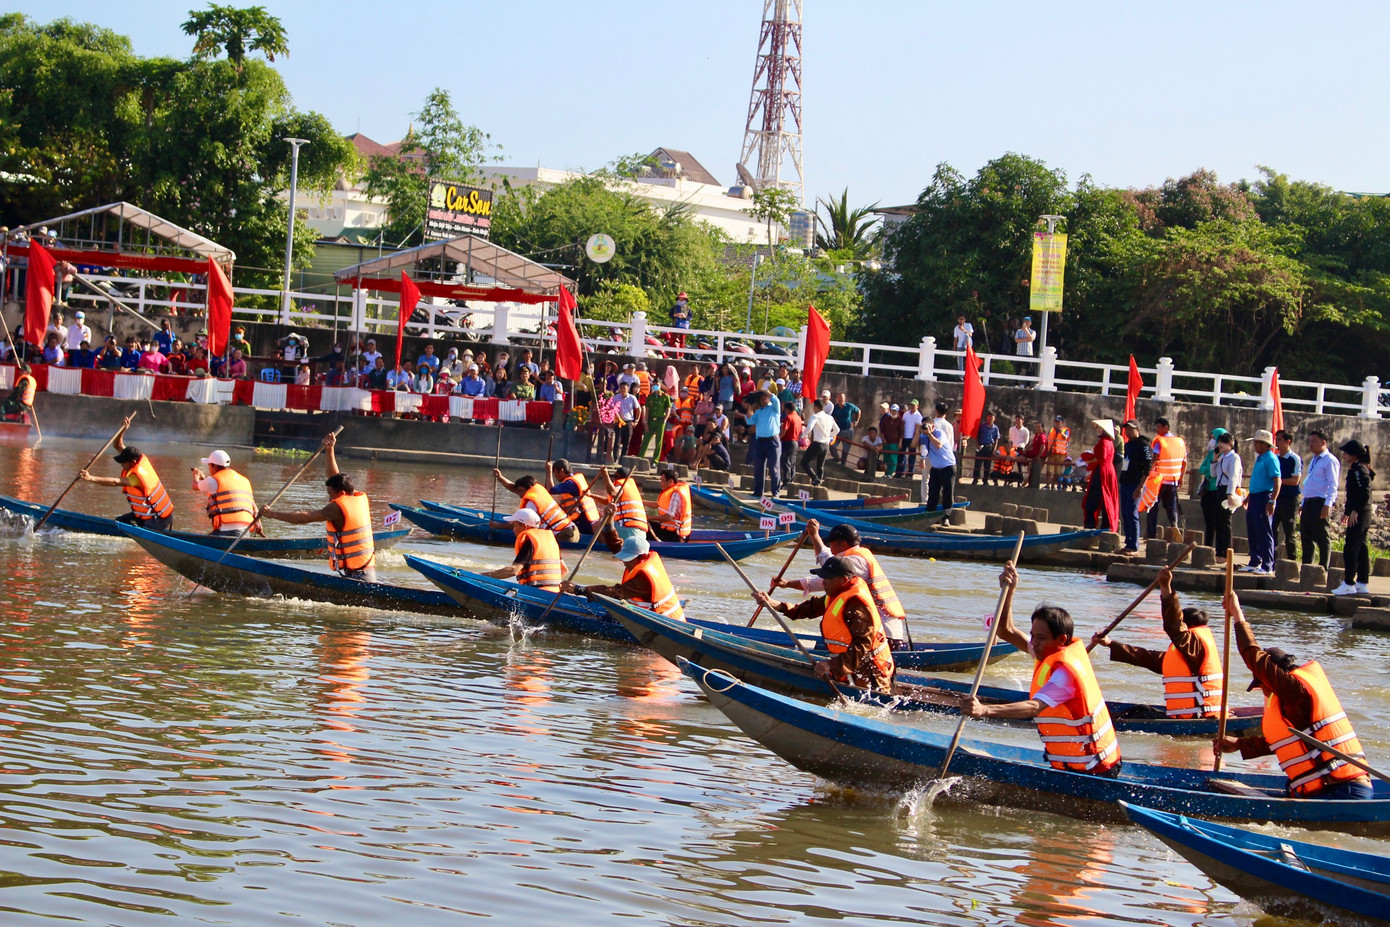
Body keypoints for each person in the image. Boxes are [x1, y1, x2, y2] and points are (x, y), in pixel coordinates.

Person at [961, 562, 1122, 776]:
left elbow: (1033, 707)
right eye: (1033, 636)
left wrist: (985, 710)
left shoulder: (1064, 674)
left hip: (1096, 769)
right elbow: (1006, 631)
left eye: (1041, 638)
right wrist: (1009, 590)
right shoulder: (1046, 652)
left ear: (1061, 640)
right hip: (1074, 765)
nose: (1034, 643)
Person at [1216, 591, 1371, 799]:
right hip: (1339, 789)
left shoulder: (1295, 690)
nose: (1264, 690)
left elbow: (1253, 657)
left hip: (1340, 791)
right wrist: (1239, 744)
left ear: (1272, 678)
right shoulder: (1294, 701)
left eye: (1262, 684)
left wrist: (1237, 613)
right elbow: (1289, 742)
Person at [1091, 567, 1223, 718]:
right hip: (1195, 715)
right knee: (1139, 710)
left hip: (1198, 717)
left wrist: (1165, 587)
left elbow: (1174, 625)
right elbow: (1147, 658)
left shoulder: (1194, 643)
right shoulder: (1192, 652)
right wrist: (1110, 644)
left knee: (1131, 716)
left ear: (1186, 626)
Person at [753, 556, 895, 691]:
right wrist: (772, 603)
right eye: (823, 577)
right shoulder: (835, 593)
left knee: (871, 703)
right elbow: (808, 609)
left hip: (871, 671)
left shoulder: (856, 603)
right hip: (851, 665)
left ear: (844, 580)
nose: (823, 582)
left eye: (828, 578)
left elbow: (863, 645)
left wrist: (830, 665)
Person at [776, 521, 912, 649]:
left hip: (882, 633)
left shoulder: (856, 561)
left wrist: (815, 536)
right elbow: (826, 572)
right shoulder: (857, 556)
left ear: (843, 544)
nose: (830, 548)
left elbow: (826, 570)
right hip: (878, 630)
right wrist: (786, 584)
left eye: (831, 544)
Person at [259, 434, 377, 580]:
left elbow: (304, 517)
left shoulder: (336, 508)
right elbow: (335, 477)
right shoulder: (357, 496)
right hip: (362, 572)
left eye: (330, 494)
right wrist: (330, 449)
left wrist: (272, 514)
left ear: (341, 493)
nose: (329, 498)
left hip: (359, 576)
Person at [77, 416, 174, 532]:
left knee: (139, 532)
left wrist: (91, 478)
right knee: (119, 523)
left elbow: (115, 482)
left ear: (133, 462)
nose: (121, 464)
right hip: (151, 514)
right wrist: (123, 429)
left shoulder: (136, 477)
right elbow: (117, 445)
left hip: (158, 518)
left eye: (124, 462)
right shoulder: (136, 457)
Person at [573, 531, 685, 621]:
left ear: (641, 557)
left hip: (665, 625)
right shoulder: (642, 562)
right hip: (654, 617)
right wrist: (609, 524)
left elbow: (616, 592)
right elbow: (616, 546)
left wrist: (579, 589)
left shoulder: (644, 578)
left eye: (628, 559)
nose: (624, 562)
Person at [481, 508, 565, 592]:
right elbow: (564, 570)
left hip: (536, 592)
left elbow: (514, 570)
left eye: (515, 526)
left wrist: (481, 576)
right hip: (554, 592)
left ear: (524, 526)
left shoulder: (529, 541)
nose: (513, 530)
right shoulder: (549, 540)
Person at [1334, 439, 1375, 595]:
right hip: (1359, 512)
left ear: (1355, 454)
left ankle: (1349, 582)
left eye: (1346, 452)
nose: (1343, 454)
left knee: (1351, 547)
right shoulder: (1356, 468)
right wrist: (1347, 512)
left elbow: (1365, 492)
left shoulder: (1359, 470)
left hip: (1361, 513)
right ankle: (1362, 582)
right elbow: (1353, 495)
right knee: (1361, 546)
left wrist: (1356, 511)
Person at [492, 470, 580, 542]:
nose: (520, 495)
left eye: (521, 491)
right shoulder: (539, 490)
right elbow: (514, 488)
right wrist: (500, 477)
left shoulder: (532, 503)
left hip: (564, 536)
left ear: (529, 488)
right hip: (573, 531)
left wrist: (498, 526)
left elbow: (522, 525)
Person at [1241, 429, 1281, 576]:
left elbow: (1277, 481)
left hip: (1264, 497)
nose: (1255, 445)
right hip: (1255, 496)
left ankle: (1267, 564)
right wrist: (1249, 496)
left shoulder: (1271, 459)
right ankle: (1255, 560)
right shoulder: (1260, 458)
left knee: (1264, 530)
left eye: (1257, 442)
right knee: (1253, 529)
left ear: (1265, 444)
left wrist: (1272, 500)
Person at [191, 449, 258, 537]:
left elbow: (195, 486)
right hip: (245, 532)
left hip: (226, 531)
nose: (209, 469)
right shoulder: (244, 480)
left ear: (214, 466)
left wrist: (196, 476)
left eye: (209, 465)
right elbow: (254, 508)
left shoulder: (212, 481)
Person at [1141, 417, 1187, 541]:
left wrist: (1148, 475)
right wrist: (1181, 478)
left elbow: (1154, 459)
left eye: (1159, 427)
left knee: (1152, 506)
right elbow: (1184, 462)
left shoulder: (1160, 442)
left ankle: (1151, 535)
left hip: (1158, 480)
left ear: (1166, 427)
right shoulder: (1180, 442)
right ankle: (1174, 525)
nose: (1157, 430)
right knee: (1171, 507)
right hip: (1173, 480)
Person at [1299, 430, 1339, 569]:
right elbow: (1310, 482)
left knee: (1322, 535)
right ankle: (1307, 566)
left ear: (1323, 442)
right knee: (1306, 535)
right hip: (1309, 501)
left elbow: (1333, 485)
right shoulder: (1314, 459)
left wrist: (1328, 504)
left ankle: (1323, 568)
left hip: (1320, 502)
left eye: (1314, 442)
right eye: (1310, 441)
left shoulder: (1330, 460)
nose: (1311, 445)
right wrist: (1303, 502)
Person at [1117, 419, 1152, 554]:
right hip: (1125, 482)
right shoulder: (1128, 445)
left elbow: (1148, 467)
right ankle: (1128, 542)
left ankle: (1134, 545)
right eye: (1127, 429)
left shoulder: (1143, 445)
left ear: (1138, 430)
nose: (1128, 431)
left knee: (1132, 513)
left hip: (1135, 484)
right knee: (1125, 514)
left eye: (1131, 429)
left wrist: (1141, 486)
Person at [1082, 419, 1120, 532]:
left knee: (1093, 500)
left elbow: (1101, 458)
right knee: (1105, 500)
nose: (1097, 430)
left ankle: (1090, 526)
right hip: (1107, 471)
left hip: (1103, 471)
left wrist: (1088, 459)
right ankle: (1105, 527)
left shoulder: (1104, 442)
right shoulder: (1109, 442)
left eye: (1099, 428)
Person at [1196, 427, 1230, 550]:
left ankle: (1221, 549)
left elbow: (1214, 472)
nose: (1211, 440)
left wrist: (1209, 470)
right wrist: (1209, 469)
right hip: (1207, 491)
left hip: (1217, 490)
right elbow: (1202, 469)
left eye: (1213, 438)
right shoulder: (1211, 453)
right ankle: (1207, 546)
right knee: (1208, 521)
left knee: (1218, 522)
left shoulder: (1225, 455)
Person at [546, 459, 601, 535]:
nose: (555, 476)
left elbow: (550, 489)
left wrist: (549, 471)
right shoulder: (578, 478)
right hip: (592, 519)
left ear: (561, 470)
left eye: (555, 473)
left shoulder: (570, 484)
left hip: (584, 523)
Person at [1271, 429, 1302, 561]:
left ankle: (1291, 560)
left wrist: (1279, 481)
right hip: (1276, 497)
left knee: (1290, 531)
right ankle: (1272, 557)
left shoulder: (1295, 459)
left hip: (1290, 499)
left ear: (1287, 441)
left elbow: (1295, 480)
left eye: (1279, 440)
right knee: (1272, 528)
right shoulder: (1275, 458)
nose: (1276, 442)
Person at [747, 389, 782, 499]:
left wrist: (766, 392)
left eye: (764, 397)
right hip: (760, 441)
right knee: (758, 467)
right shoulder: (758, 412)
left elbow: (776, 400)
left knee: (774, 468)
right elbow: (749, 421)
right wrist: (749, 406)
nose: (762, 399)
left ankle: (775, 492)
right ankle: (758, 492)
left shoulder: (774, 408)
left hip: (773, 441)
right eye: (761, 397)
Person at [923, 400, 956, 510]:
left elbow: (937, 443)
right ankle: (932, 510)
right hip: (943, 457)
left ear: (936, 411)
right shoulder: (950, 426)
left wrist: (923, 457)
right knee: (941, 490)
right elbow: (951, 443)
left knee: (927, 481)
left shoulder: (933, 424)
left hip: (936, 456)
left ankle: (926, 502)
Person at [802, 398, 839, 488]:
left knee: (804, 462)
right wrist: (829, 435)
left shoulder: (815, 416)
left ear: (816, 407)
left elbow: (809, 428)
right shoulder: (829, 417)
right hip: (826, 444)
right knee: (820, 466)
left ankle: (815, 478)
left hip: (817, 443)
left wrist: (802, 436)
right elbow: (837, 430)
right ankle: (818, 483)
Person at [649, 468, 692, 542]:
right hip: (676, 532)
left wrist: (648, 517)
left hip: (675, 535)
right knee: (647, 523)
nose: (660, 483)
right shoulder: (675, 490)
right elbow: (659, 505)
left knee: (645, 526)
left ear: (670, 481)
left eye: (663, 481)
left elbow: (669, 517)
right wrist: (642, 502)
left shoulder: (676, 494)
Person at [640, 382, 672, 460]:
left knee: (658, 442)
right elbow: (647, 410)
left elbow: (668, 409)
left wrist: (665, 419)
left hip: (660, 421)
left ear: (660, 385)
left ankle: (655, 460)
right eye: (654, 385)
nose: (655, 386)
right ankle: (640, 457)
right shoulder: (650, 397)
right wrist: (646, 422)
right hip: (651, 421)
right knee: (646, 440)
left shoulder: (665, 396)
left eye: (657, 385)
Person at [830, 392, 860, 465]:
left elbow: (858, 411)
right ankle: (836, 457)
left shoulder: (849, 406)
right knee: (832, 445)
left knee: (846, 448)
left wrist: (856, 421)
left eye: (841, 398)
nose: (840, 399)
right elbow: (832, 417)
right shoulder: (835, 407)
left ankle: (843, 463)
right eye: (838, 398)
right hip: (838, 430)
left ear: (844, 398)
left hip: (848, 430)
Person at [779, 400, 803, 490]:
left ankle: (786, 481)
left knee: (786, 461)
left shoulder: (789, 417)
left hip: (788, 441)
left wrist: (778, 438)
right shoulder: (798, 418)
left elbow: (784, 430)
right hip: (795, 442)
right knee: (792, 462)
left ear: (787, 409)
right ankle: (791, 480)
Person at [972, 411, 1000, 485]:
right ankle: (975, 479)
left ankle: (985, 480)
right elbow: (976, 436)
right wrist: (977, 444)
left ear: (994, 418)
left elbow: (996, 439)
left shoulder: (995, 428)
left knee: (987, 465)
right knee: (977, 464)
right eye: (989, 416)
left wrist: (994, 449)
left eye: (991, 417)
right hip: (981, 447)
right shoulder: (981, 426)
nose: (990, 418)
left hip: (989, 448)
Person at [897, 399, 923, 478]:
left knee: (912, 456)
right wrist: (901, 438)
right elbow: (902, 425)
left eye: (913, 405)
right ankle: (900, 472)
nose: (912, 406)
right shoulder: (906, 414)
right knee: (901, 455)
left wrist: (914, 440)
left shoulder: (918, 416)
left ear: (917, 406)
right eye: (911, 405)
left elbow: (917, 429)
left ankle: (910, 473)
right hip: (904, 437)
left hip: (912, 438)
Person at [1044, 415, 1070, 488]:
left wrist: (1061, 432)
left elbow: (1066, 437)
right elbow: (1048, 441)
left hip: (1061, 454)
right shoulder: (1052, 430)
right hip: (1052, 453)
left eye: (1058, 422)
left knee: (1057, 471)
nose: (1057, 423)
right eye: (1056, 422)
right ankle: (1048, 485)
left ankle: (1053, 485)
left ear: (1062, 423)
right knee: (1049, 470)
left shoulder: (1066, 430)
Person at [880, 403, 904, 479]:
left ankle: (890, 473)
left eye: (895, 411)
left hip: (895, 442)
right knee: (886, 458)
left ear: (897, 411)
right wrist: (883, 438)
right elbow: (882, 430)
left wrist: (900, 442)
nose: (893, 412)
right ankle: (886, 473)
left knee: (893, 459)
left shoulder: (900, 421)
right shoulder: (886, 419)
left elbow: (901, 433)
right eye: (892, 410)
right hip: (886, 442)